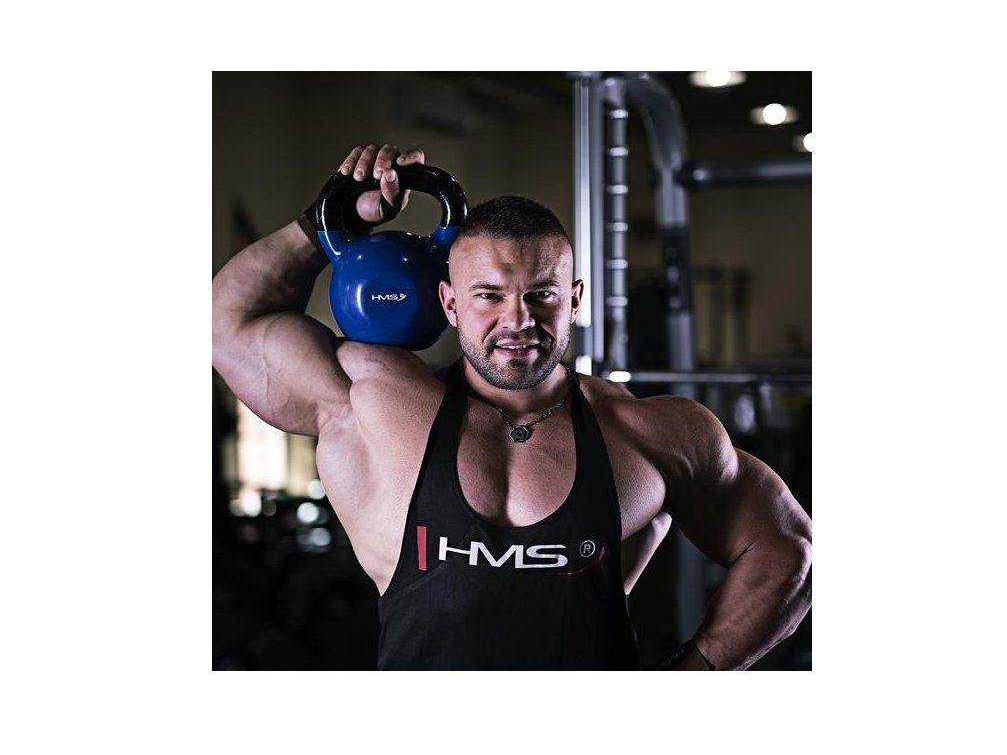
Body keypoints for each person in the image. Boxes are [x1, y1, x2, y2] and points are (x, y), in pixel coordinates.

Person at [212, 143, 812, 670]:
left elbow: (787, 549)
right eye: (489, 296)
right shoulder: (370, 404)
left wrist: (694, 672)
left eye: (541, 294)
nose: (517, 320)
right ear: (450, 303)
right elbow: (227, 324)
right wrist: (325, 222)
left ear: (573, 300)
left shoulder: (648, 432)